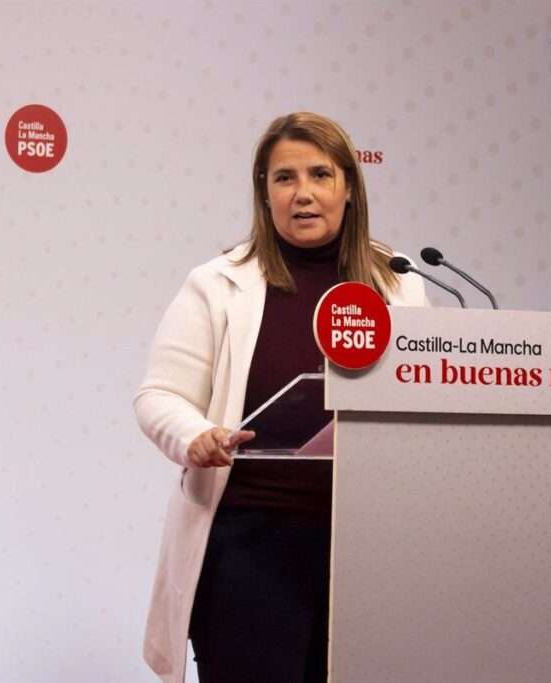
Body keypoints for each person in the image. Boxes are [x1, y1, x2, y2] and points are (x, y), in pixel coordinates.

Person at [133, 112, 427, 683]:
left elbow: (423, 398)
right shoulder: (218, 283)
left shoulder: (400, 283)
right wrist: (196, 436)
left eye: (320, 174)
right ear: (264, 192)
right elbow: (159, 394)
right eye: (285, 178)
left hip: (367, 548)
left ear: (349, 187)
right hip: (250, 546)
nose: (303, 193)